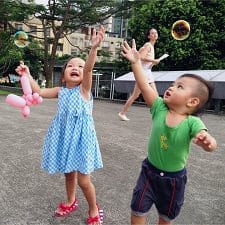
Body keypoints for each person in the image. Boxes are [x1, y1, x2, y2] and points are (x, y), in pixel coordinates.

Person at [15, 26, 105, 225]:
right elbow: (37, 90)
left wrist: (93, 49)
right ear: (63, 75)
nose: (76, 68)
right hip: (64, 136)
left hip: (81, 140)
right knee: (68, 173)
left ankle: (93, 209)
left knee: (83, 180)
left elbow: (89, 68)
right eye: (71, 65)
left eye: (80, 66)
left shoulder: (85, 90)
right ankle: (71, 201)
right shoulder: (60, 91)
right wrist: (28, 74)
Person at [121, 40, 217, 225]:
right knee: (137, 209)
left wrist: (208, 142)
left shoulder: (193, 122)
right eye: (174, 84)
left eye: (180, 87)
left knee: (166, 217)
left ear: (192, 102)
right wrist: (135, 63)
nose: (172, 87)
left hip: (173, 181)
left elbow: (210, 142)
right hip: (149, 172)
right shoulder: (159, 107)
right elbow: (144, 85)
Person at [118, 28, 161, 121]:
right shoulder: (148, 45)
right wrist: (154, 60)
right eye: (152, 33)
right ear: (149, 36)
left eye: (156, 33)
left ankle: (158, 115)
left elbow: (145, 61)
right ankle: (122, 113)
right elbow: (141, 57)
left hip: (147, 72)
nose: (155, 34)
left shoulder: (151, 46)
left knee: (154, 95)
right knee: (136, 95)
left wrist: (153, 63)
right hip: (143, 73)